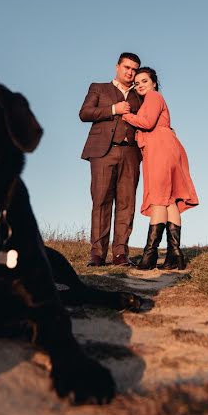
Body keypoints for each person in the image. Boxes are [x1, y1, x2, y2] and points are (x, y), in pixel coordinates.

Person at [121, 67, 198, 270]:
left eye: (144, 81)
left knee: (158, 198)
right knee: (168, 199)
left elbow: (147, 122)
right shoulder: (152, 99)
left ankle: (149, 256)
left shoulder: (154, 97)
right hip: (165, 146)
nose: (140, 85)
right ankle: (175, 255)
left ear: (154, 83)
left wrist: (126, 115)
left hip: (160, 148)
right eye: (137, 83)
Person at [79, 53, 144, 266]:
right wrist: (113, 109)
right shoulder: (98, 87)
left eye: (134, 69)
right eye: (126, 67)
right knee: (101, 201)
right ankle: (97, 254)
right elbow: (84, 113)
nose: (130, 72)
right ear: (117, 66)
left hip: (131, 154)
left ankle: (120, 254)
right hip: (102, 152)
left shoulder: (140, 95)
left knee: (127, 204)